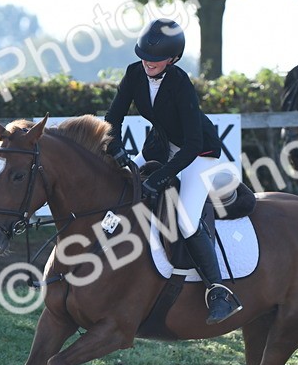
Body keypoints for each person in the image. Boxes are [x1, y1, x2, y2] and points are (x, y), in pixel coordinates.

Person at [104, 18, 244, 324]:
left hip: (198, 154)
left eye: (155, 60)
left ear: (173, 58)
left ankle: (219, 292)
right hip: (160, 147)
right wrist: (115, 147)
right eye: (144, 56)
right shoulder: (133, 73)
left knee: (185, 218)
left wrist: (161, 176)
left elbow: (193, 144)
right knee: (117, 188)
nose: (148, 63)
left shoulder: (180, 83)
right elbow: (113, 117)